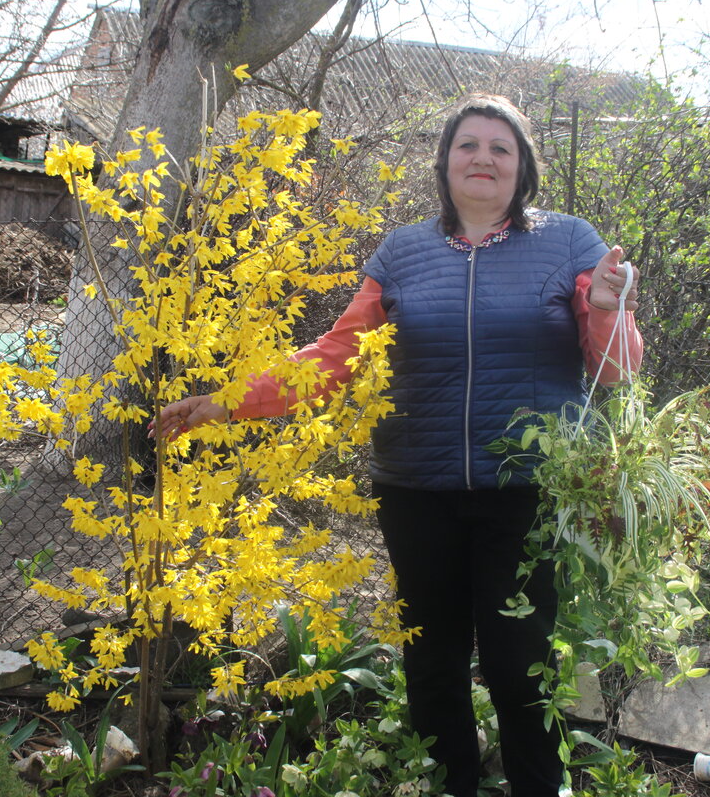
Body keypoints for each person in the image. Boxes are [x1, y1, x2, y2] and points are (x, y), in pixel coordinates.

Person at [155, 94, 642, 797]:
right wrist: (226, 404)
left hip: (527, 493)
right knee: (433, 659)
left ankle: (538, 786)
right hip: (417, 490)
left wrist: (605, 310)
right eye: (468, 145)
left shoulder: (570, 243)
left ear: (523, 166)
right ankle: (450, 784)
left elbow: (616, 370)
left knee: (518, 660)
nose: (483, 158)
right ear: (444, 162)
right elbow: (334, 356)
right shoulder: (404, 251)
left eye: (501, 148)